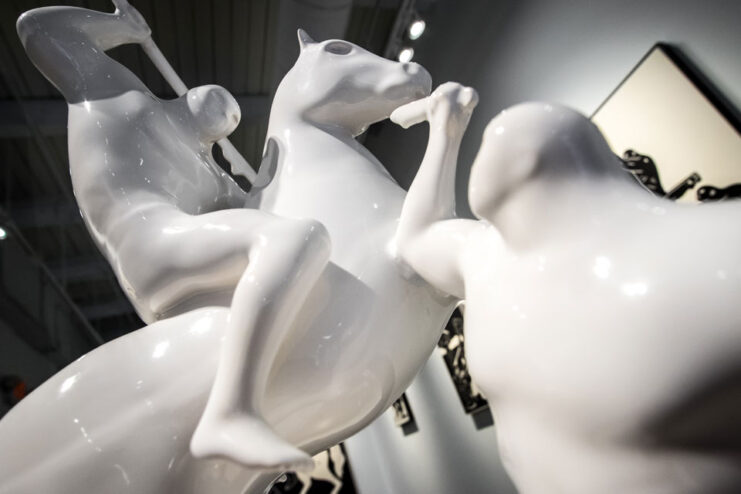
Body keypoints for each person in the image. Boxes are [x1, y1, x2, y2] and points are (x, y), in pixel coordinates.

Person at [17, 1, 328, 470]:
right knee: (294, 241)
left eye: (233, 117)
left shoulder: (214, 176)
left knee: (289, 267)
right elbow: (38, 30)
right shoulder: (120, 94)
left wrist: (263, 184)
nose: (226, 110)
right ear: (190, 93)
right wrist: (119, 27)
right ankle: (232, 412)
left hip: (175, 256)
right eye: (221, 100)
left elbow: (261, 211)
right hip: (148, 240)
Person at [395, 92, 741, 493]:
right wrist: (444, 129)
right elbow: (414, 239)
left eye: (495, 141)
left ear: (528, 161)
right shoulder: (486, 255)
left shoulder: (710, 247)